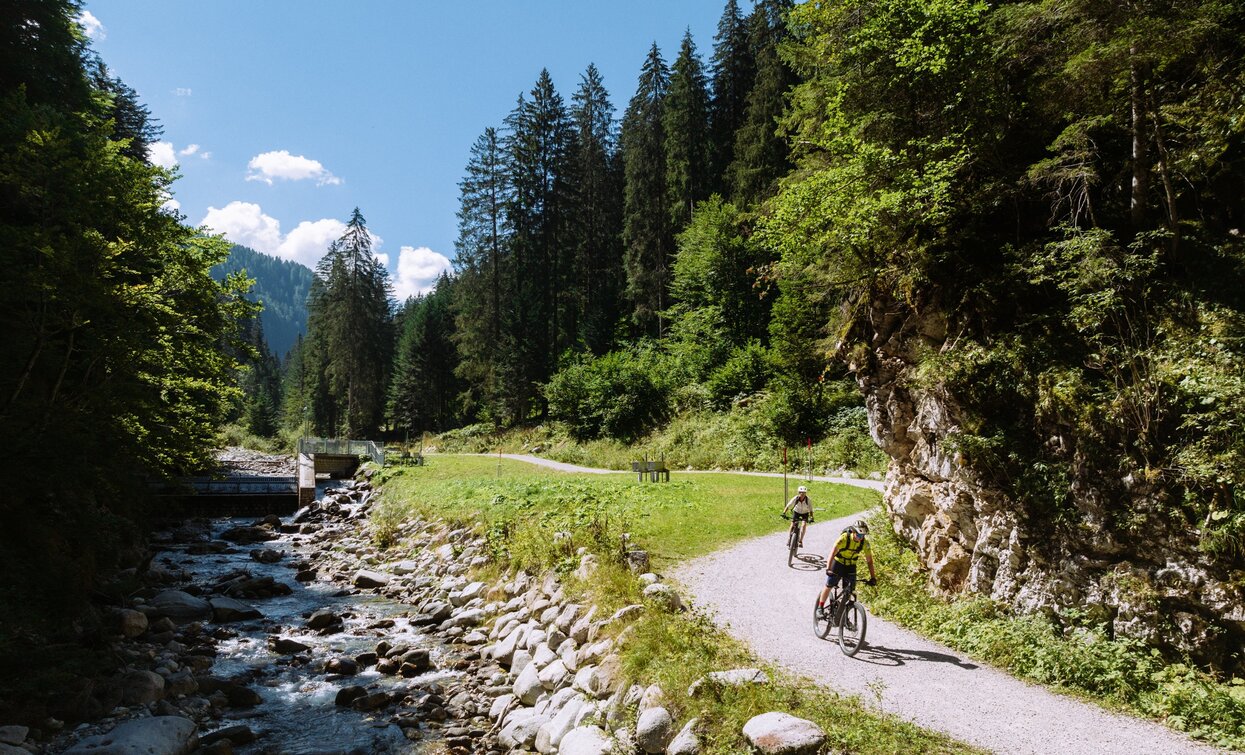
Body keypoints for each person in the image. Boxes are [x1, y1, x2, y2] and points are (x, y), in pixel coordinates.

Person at [817, 519, 876, 618]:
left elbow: (869, 561)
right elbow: (832, 552)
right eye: (859, 535)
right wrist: (828, 568)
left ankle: (842, 614)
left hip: (851, 565)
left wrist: (873, 577)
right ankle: (820, 608)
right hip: (838, 563)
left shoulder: (865, 543)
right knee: (829, 584)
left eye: (863, 536)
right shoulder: (844, 538)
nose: (860, 538)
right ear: (853, 532)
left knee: (850, 591)